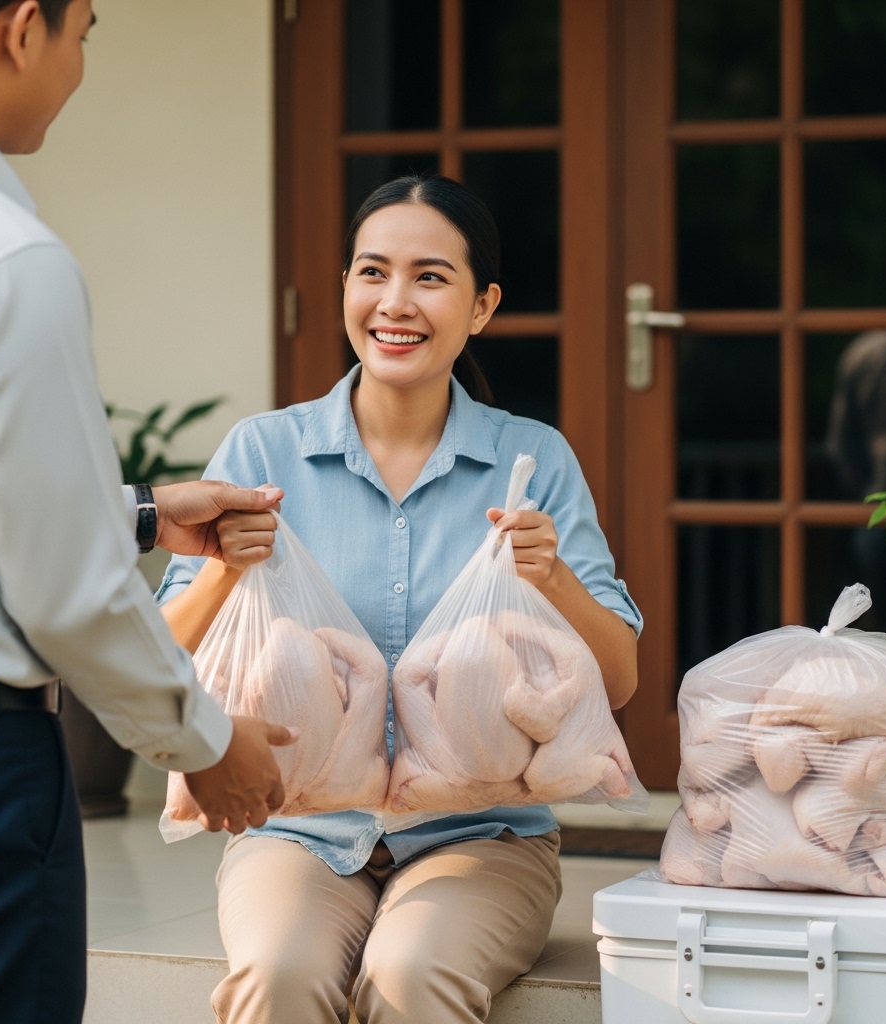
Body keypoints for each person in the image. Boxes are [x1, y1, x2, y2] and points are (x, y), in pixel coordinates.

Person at [159, 174, 642, 1023]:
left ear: (482, 305)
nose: (395, 302)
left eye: (430, 277)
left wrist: (550, 577)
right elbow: (162, 654)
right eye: (371, 272)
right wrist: (224, 569)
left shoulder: (532, 462)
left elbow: (620, 683)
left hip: (485, 837)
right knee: (277, 975)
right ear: (345, 286)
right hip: (296, 828)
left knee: (411, 973)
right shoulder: (265, 448)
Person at [0, 3, 295, 1022]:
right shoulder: (7, 261)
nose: (78, 65)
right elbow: (68, 596)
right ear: (24, 28)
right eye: (83, 33)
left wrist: (143, 511)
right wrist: (205, 743)